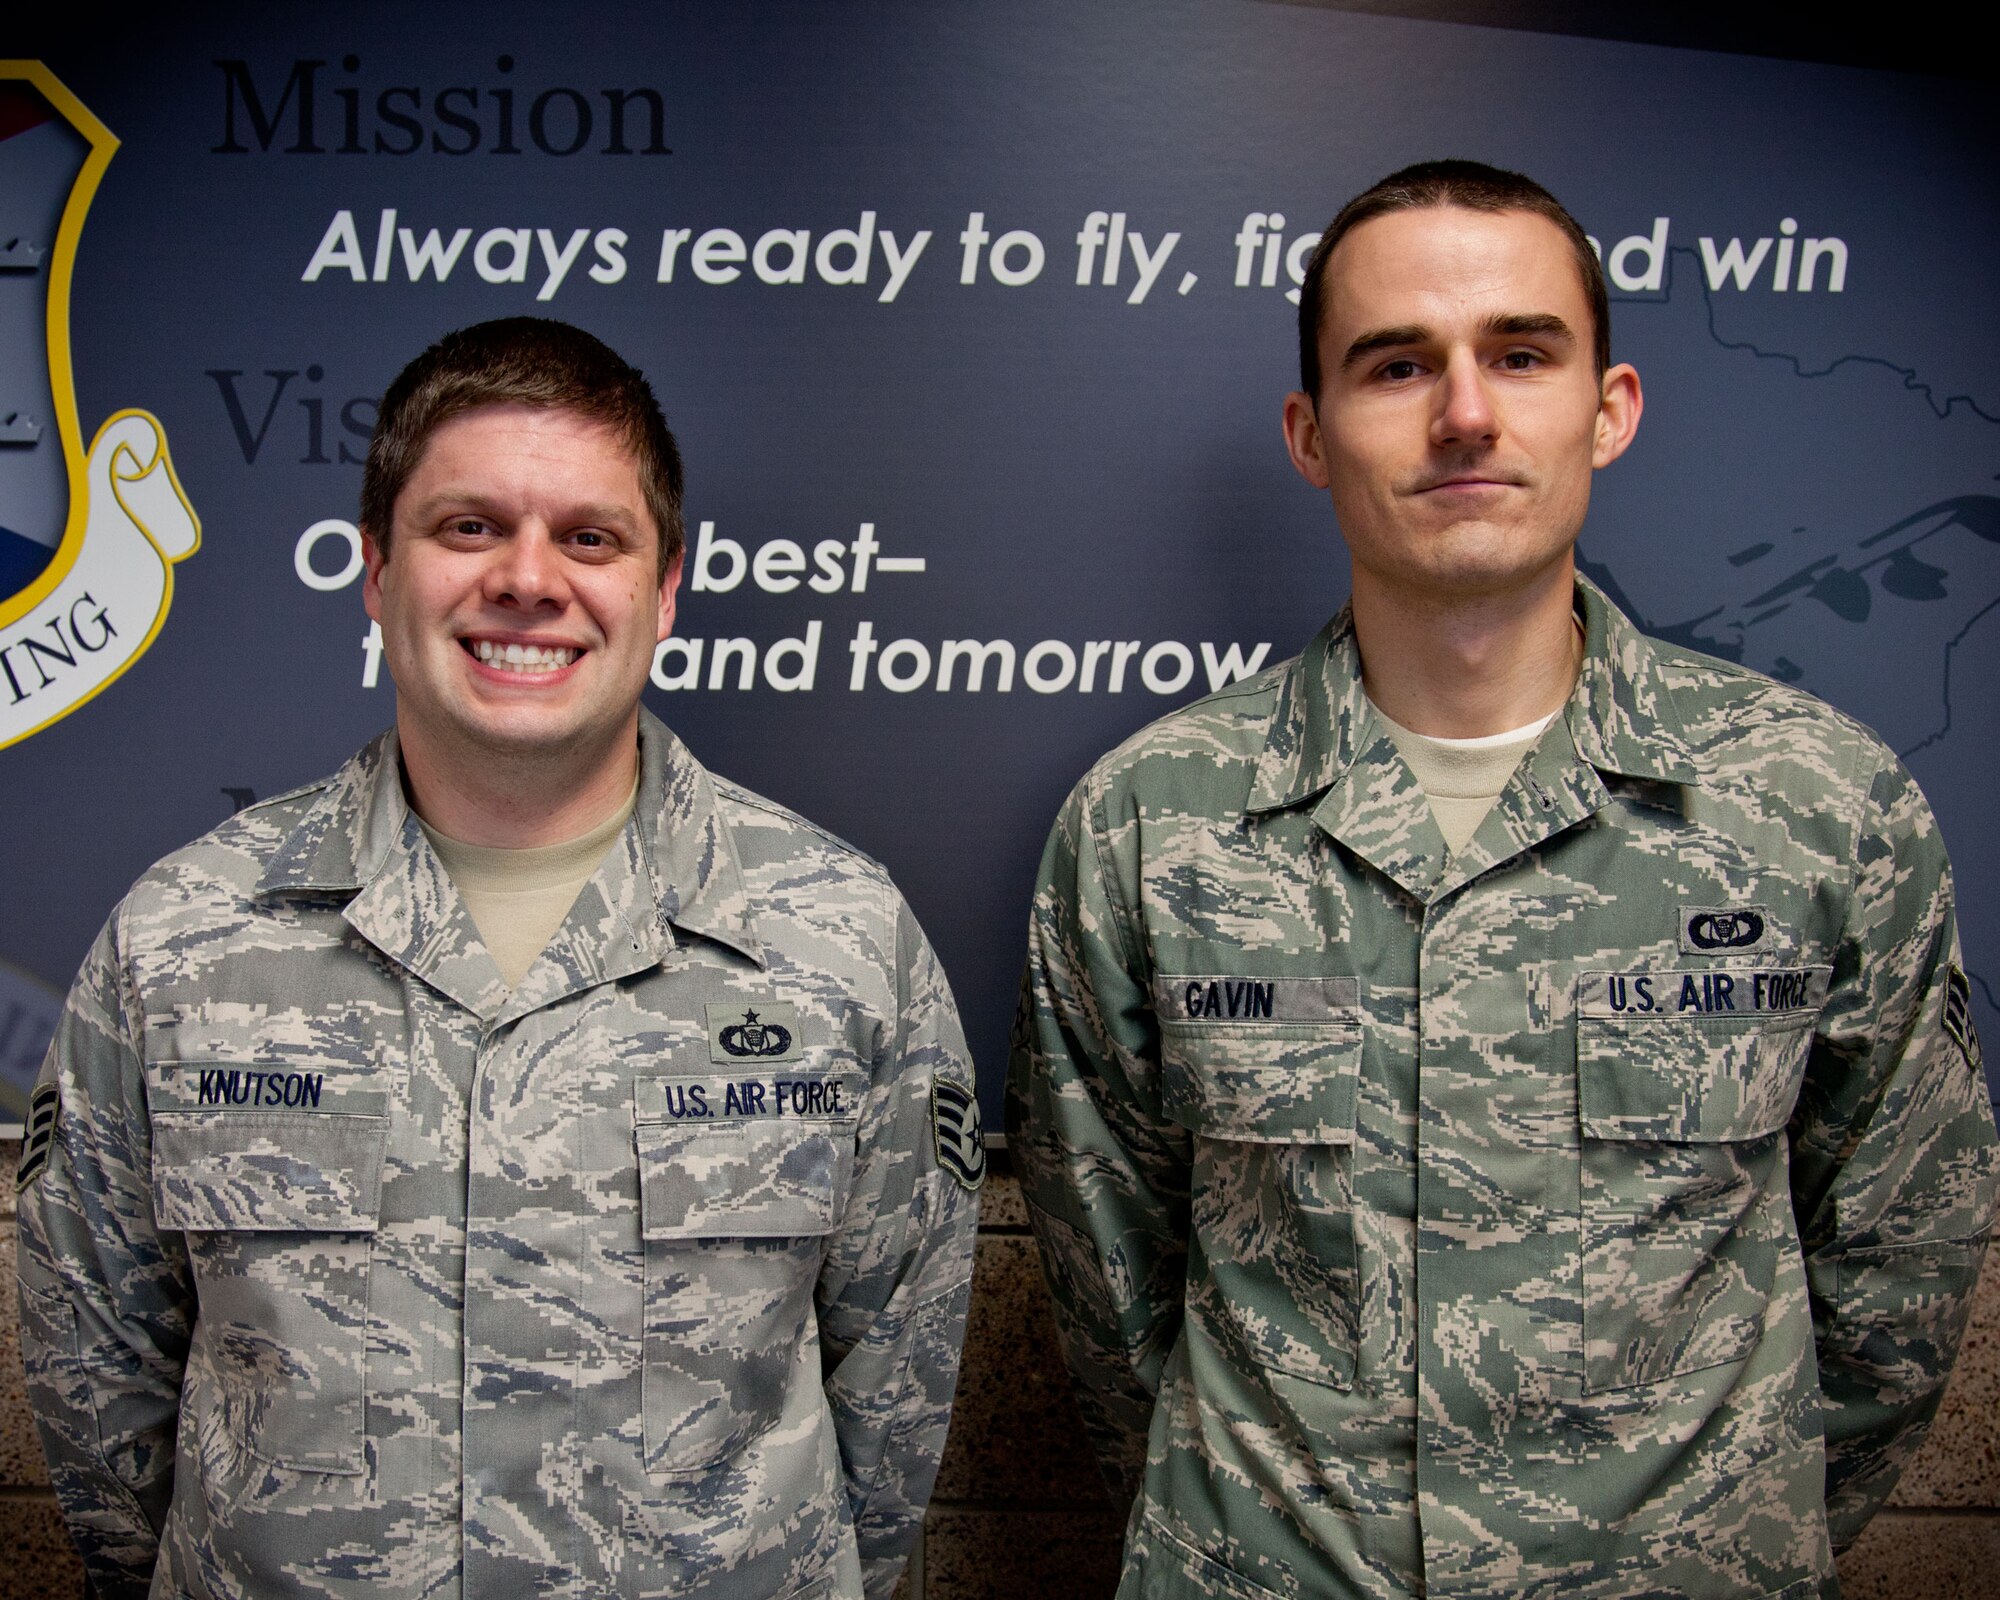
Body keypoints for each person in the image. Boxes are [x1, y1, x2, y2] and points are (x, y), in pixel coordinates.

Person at [1007, 161, 1997, 1599]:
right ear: (1310, 432)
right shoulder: (1152, 828)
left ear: (1610, 408)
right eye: (1396, 364)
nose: (1464, 411)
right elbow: (1114, 1298)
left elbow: (1900, 1261)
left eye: (1520, 355)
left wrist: (1711, 1536)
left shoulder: (1819, 811)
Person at [17, 317, 983, 1600]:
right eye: (468, 527)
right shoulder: (186, 938)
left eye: (590, 537)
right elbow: (103, 1391)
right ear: (375, 572)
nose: (529, 580)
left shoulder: (840, 941)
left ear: (665, 590)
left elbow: (890, 1401)